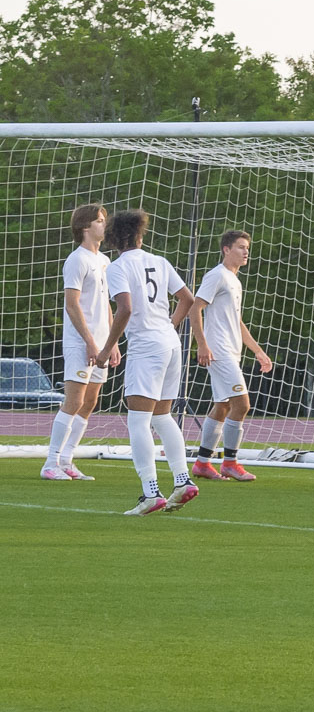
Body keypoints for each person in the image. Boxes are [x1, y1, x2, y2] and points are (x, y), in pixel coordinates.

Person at [94, 209, 200, 516]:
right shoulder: (159, 261)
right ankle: (182, 480)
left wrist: (107, 347)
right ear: (139, 235)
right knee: (162, 417)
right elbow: (187, 299)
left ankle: (150, 492)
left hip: (146, 346)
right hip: (170, 343)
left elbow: (124, 309)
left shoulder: (117, 267)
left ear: (114, 237)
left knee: (138, 420)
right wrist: (170, 324)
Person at [40, 204, 120, 481]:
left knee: (90, 401)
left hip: (101, 343)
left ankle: (67, 460)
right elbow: (72, 305)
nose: (104, 225)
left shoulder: (106, 261)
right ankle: (50, 463)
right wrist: (89, 341)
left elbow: (108, 306)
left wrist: (112, 343)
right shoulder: (77, 259)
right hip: (80, 342)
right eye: (99, 221)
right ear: (85, 227)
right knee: (74, 400)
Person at [188, 230, 273, 482]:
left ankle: (202, 463)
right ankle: (230, 462)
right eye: (240, 247)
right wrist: (201, 344)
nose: (246, 252)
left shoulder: (235, 280)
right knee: (242, 405)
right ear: (226, 249)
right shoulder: (217, 276)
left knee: (223, 405)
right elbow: (195, 309)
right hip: (219, 351)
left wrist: (258, 351)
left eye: (247, 248)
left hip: (231, 350)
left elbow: (236, 321)